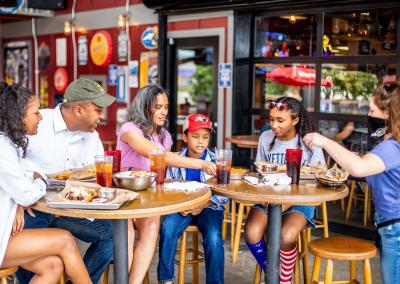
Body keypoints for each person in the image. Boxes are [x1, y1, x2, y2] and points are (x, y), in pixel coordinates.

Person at [17, 78, 116, 284]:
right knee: (35, 255)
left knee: (110, 236)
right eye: (98, 110)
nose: (101, 116)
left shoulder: (92, 137)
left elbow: (95, 176)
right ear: (78, 110)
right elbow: (10, 164)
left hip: (69, 210)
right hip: (33, 208)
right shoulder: (35, 123)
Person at [117, 85, 216, 284]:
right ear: (145, 107)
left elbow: (162, 170)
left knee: (153, 225)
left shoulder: (165, 137)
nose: (163, 111)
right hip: (124, 193)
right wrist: (200, 163)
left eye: (166, 106)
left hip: (150, 195)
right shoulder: (129, 129)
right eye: (158, 107)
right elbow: (156, 155)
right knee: (125, 232)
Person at [303, 82, 400, 284]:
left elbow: (358, 168)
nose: (369, 114)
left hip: (395, 228)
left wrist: (325, 141)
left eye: (373, 110)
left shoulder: (391, 147)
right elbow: (369, 164)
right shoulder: (391, 144)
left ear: (389, 113)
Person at [0, 83, 91, 284]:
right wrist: (41, 184)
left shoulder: (8, 144)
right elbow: (27, 193)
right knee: (65, 239)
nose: (41, 117)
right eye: (35, 113)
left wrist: (20, 200)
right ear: (18, 117)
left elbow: (28, 173)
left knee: (53, 266)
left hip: (6, 232)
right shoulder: (3, 148)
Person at [244, 96, 325, 284]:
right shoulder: (265, 138)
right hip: (270, 197)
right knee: (251, 231)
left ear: (295, 120)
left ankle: (285, 280)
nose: (274, 125)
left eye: (280, 120)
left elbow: (318, 178)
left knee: (285, 236)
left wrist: (289, 198)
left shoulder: (309, 142)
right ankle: (275, 276)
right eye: (271, 119)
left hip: (300, 200)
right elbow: (260, 170)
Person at [157, 114, 228, 284]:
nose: (200, 142)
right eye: (195, 136)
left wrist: (203, 204)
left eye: (205, 137)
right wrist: (180, 204)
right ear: (185, 137)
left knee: (214, 237)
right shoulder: (175, 160)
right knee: (167, 228)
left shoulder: (217, 161)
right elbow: (168, 187)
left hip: (209, 208)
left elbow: (224, 195)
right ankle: (166, 279)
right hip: (182, 207)